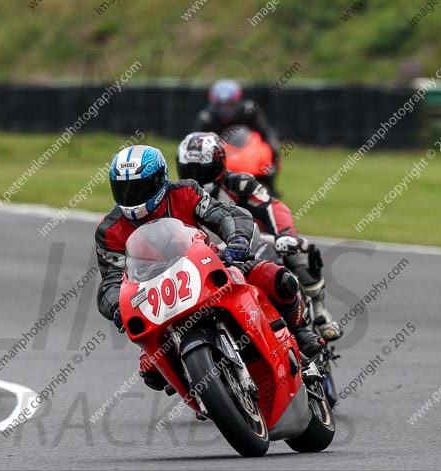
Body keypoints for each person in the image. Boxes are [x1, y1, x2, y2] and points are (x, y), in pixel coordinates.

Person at [95, 144, 324, 391]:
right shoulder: (108, 230)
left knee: (278, 278)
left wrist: (237, 239)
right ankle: (200, 384)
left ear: (160, 179)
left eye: (139, 187)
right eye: (123, 189)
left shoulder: (186, 192)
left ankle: (299, 332)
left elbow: (225, 215)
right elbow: (110, 282)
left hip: (206, 267)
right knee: (152, 371)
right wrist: (118, 307)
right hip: (157, 299)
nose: (132, 197)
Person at [176, 132, 342, 341]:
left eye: (203, 170)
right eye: (189, 170)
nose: (197, 177)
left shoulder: (240, 184)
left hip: (255, 249)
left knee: (300, 250)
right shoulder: (180, 197)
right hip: (210, 262)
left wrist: (284, 235)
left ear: (219, 166)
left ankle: (319, 313)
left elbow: (273, 207)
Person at [194, 79, 280, 161]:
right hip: (221, 158)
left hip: (250, 155)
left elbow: (266, 132)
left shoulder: (249, 111)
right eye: (222, 105)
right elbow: (198, 145)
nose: (225, 109)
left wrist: (273, 148)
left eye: (228, 105)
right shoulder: (207, 118)